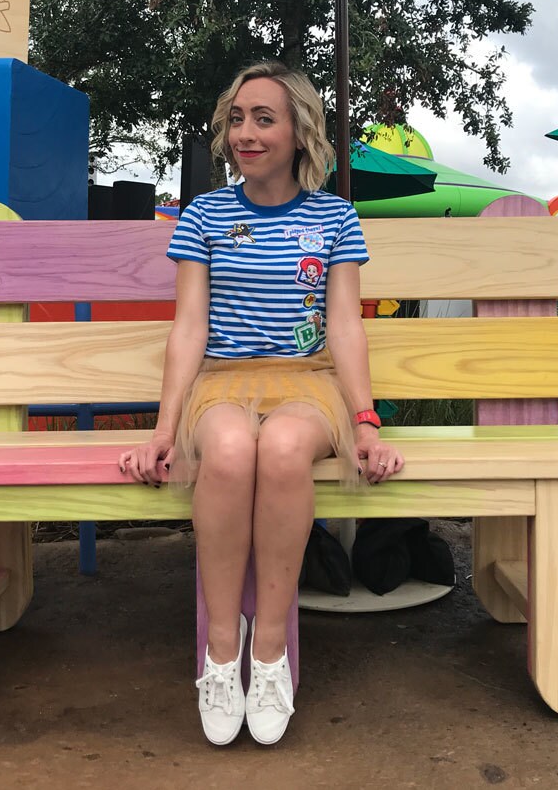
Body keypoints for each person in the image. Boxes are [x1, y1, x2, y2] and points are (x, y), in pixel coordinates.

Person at [119, 61, 404, 746]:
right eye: (237, 119)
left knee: (280, 451)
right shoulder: (206, 214)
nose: (245, 133)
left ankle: (269, 649)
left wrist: (366, 423)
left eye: (263, 119)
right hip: (222, 381)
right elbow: (189, 327)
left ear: (300, 131)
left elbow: (344, 325)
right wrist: (162, 429)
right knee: (225, 448)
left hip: (309, 382)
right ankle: (222, 651)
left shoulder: (334, 217)